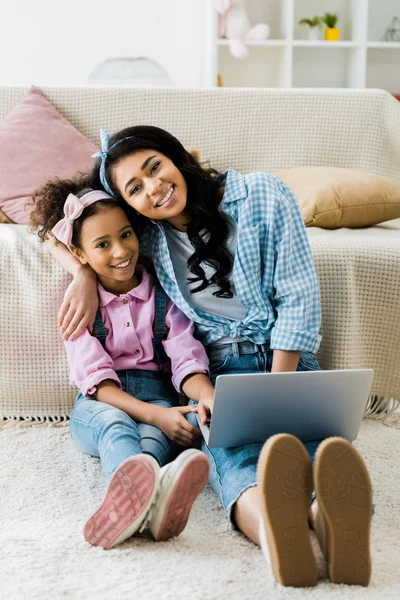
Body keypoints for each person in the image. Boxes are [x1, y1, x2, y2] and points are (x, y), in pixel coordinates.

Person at [43, 127, 373, 587]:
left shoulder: (262, 193)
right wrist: (81, 273)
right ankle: (282, 535)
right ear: (130, 204)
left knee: (316, 453)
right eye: (134, 188)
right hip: (218, 373)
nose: (153, 189)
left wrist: (276, 390)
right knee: (233, 462)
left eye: (154, 168)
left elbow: (299, 298)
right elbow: (59, 230)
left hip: (287, 359)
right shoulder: (148, 236)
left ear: (177, 157)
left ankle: (326, 517)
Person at [29, 181, 215, 550]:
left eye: (125, 235)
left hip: (158, 397)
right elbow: (100, 387)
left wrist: (204, 397)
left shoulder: (163, 295)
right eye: (102, 245)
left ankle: (144, 508)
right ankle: (144, 501)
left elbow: (185, 359)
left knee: (155, 440)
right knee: (116, 427)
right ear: (79, 254)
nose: (120, 251)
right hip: (99, 405)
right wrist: (156, 415)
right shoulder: (80, 306)